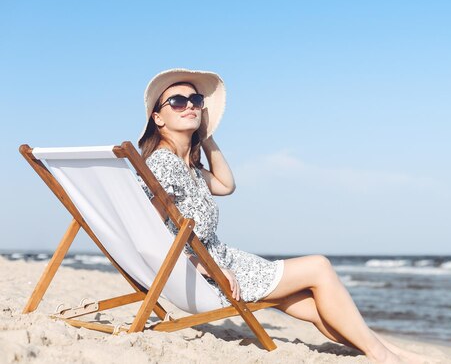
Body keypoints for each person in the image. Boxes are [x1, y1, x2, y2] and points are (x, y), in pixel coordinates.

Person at [137, 68, 418, 364]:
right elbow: (150, 235)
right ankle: (382, 354)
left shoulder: (187, 168)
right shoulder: (163, 165)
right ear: (158, 118)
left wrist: (206, 137)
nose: (190, 106)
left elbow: (225, 185)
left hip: (223, 263)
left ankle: (389, 351)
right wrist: (209, 269)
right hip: (204, 275)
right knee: (319, 267)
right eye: (177, 102)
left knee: (311, 301)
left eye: (195, 99)